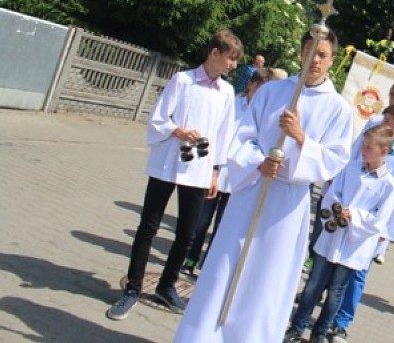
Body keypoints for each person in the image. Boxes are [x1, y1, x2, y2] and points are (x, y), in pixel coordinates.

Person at [174, 29, 353, 343]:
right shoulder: (272, 92)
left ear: (332, 61)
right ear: (301, 54)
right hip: (253, 188)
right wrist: (259, 162)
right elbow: (242, 134)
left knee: (267, 278)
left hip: (287, 203)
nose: (315, 61)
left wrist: (300, 137)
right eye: (310, 53)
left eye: (322, 55)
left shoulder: (338, 108)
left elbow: (334, 160)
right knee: (226, 266)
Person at [107, 30, 241, 321]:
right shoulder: (183, 81)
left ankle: (167, 286)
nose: (233, 65)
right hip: (168, 163)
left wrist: (216, 171)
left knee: (188, 233)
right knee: (149, 226)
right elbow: (159, 116)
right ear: (214, 53)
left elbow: (224, 134)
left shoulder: (226, 93)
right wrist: (176, 130)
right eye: (230, 58)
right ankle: (132, 287)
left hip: (199, 169)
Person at [284, 125, 394, 343]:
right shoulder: (351, 168)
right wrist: (338, 209)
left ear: (384, 151)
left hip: (355, 245)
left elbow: (379, 220)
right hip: (333, 235)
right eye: (363, 145)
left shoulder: (388, 184)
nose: (363, 150)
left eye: (369, 148)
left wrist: (353, 215)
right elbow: (332, 194)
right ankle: (297, 327)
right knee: (313, 284)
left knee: (336, 291)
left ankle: (320, 332)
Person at [326, 105, 394, 342]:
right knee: (333, 260)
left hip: (374, 223)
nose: (382, 122)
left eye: (388, 120)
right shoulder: (372, 141)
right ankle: (324, 309)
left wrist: (387, 231)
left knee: (357, 273)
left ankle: (342, 322)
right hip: (349, 212)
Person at [182, 67, 285, 276]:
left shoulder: (267, 113)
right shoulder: (234, 103)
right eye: (257, 89)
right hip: (218, 170)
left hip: (241, 176)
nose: (259, 95)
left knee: (223, 224)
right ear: (250, 85)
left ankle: (209, 264)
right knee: (202, 219)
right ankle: (190, 257)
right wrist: (214, 167)